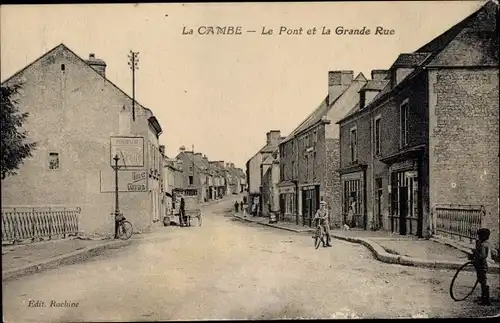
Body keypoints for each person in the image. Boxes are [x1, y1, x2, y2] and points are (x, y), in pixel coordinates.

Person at [469, 228, 491, 305]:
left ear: (485, 236)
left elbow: (483, 256)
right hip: (478, 264)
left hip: (482, 265)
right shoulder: (480, 243)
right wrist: (473, 255)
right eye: (479, 236)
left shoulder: (484, 245)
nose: (479, 237)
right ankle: (483, 296)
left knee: (483, 282)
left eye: (480, 236)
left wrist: (475, 252)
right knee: (481, 281)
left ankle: (486, 300)